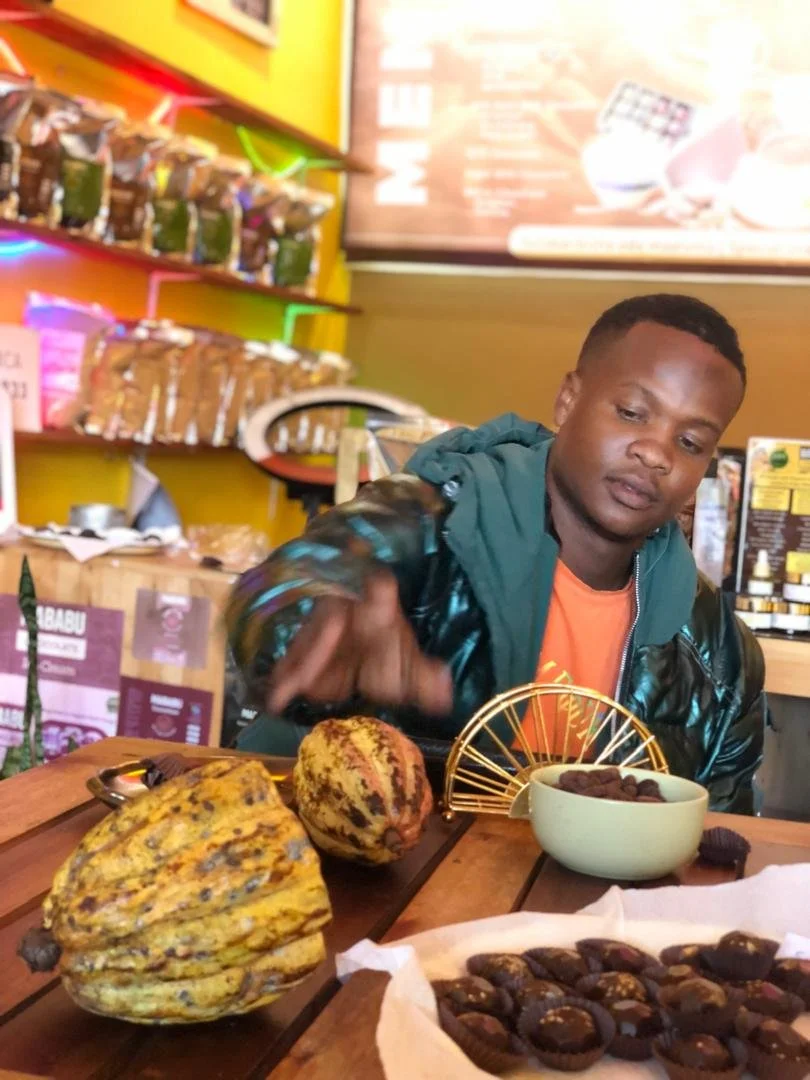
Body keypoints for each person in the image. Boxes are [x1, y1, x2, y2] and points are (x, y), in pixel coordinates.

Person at [226, 293, 766, 813]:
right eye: (631, 412)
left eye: (690, 442)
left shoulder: (720, 657)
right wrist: (309, 623)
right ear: (569, 400)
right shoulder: (431, 519)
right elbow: (288, 584)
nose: (655, 453)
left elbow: (716, 834)